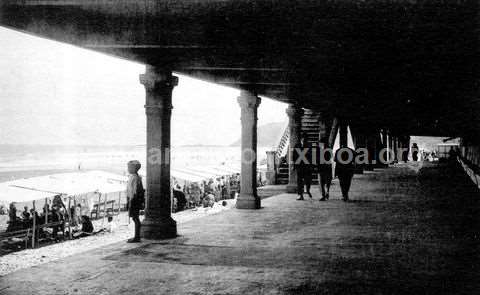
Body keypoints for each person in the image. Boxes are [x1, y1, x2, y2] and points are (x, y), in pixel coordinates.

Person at [126, 160, 144, 243]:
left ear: (134, 168)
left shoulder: (134, 177)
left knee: (135, 218)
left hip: (134, 200)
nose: (128, 169)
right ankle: (137, 236)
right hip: (134, 199)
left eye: (129, 167)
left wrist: (131, 201)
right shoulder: (135, 176)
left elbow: (134, 191)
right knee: (135, 218)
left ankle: (137, 236)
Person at [293, 133, 313, 200]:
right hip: (300, 166)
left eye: (305, 138)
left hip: (307, 167)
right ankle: (300, 194)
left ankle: (307, 190)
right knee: (299, 181)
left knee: (308, 180)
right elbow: (294, 156)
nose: (303, 139)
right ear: (301, 139)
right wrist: (294, 165)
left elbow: (311, 156)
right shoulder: (297, 145)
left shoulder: (309, 146)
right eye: (302, 138)